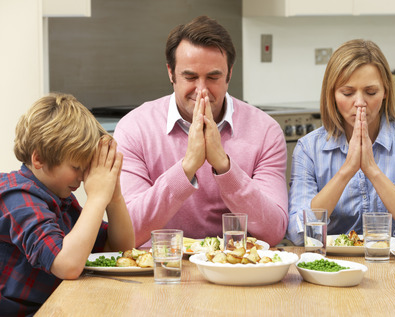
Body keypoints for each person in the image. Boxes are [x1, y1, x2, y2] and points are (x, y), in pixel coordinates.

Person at [114, 15, 288, 247]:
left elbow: (273, 231)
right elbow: (128, 232)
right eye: (190, 77)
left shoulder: (266, 131)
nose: (202, 90)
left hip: (239, 270)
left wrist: (224, 167)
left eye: (213, 77)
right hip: (160, 269)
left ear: (230, 74)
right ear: (170, 73)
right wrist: (187, 168)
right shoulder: (134, 128)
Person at [287, 39, 395, 245]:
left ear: (385, 91)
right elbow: (297, 235)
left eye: (371, 92)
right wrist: (347, 171)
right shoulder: (308, 149)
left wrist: (372, 170)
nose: (360, 103)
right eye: (347, 93)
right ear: (331, 94)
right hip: (331, 267)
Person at [0, 93, 134, 316]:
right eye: (76, 167)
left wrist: (114, 197)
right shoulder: (16, 197)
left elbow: (120, 249)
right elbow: (67, 265)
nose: (82, 178)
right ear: (39, 159)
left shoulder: (59, 197)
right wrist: (96, 198)